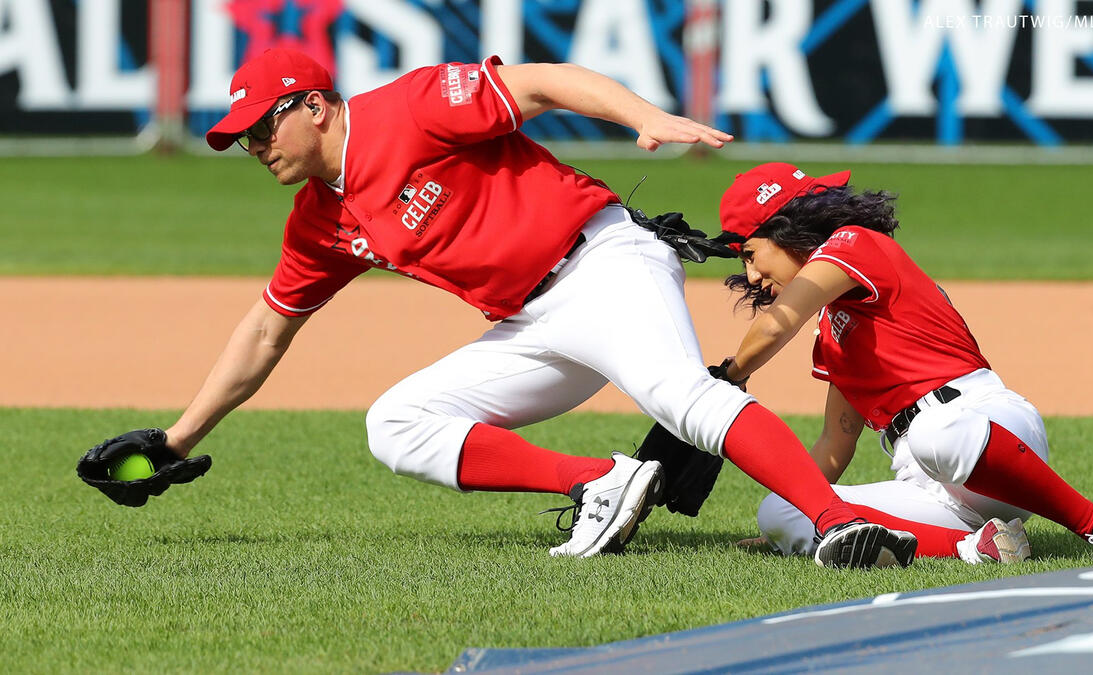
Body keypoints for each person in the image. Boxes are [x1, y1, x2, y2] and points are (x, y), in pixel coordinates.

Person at [101, 47, 995, 568]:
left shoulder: (406, 108)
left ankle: (838, 518)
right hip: (532, 322)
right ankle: (598, 481)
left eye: (263, 126)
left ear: (316, 105)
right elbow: (267, 327)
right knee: (397, 422)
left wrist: (643, 118)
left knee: (678, 396)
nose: (253, 145)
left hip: (603, 260)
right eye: (240, 137)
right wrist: (178, 438)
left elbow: (541, 81)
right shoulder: (320, 221)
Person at [712, 162, 1093, 565]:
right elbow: (837, 443)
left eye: (750, 254)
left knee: (933, 432)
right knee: (780, 509)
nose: (751, 275)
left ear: (783, 228)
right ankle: (977, 547)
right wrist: (798, 516)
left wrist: (728, 378)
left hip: (989, 428)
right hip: (930, 486)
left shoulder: (855, 243)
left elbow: (775, 326)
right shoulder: (832, 333)